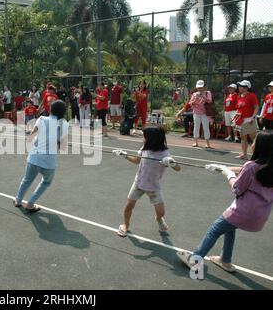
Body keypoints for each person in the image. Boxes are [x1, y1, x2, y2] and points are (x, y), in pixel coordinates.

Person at [178, 131, 273, 274]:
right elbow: (244, 170)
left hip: (243, 211)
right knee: (230, 228)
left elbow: (237, 189)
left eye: (254, 142)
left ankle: (195, 259)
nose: (251, 144)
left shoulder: (251, 166)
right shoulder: (267, 166)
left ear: (260, 146)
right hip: (260, 214)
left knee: (215, 229)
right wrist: (222, 167)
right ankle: (225, 260)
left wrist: (228, 174)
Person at [114, 127, 181, 237]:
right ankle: (125, 225)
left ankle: (159, 219)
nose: (143, 138)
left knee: (161, 213)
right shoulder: (145, 148)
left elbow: (178, 168)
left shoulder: (165, 154)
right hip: (139, 183)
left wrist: (171, 163)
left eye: (144, 136)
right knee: (129, 205)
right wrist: (124, 155)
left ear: (152, 139)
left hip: (154, 187)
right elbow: (136, 161)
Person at [13, 100, 69, 212]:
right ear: (63, 113)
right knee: (46, 182)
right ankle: (30, 203)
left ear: (50, 110)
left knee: (27, 180)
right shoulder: (64, 125)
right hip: (48, 162)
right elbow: (62, 147)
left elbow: (30, 136)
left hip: (34, 158)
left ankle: (18, 200)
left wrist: (30, 137)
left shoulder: (42, 119)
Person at [234, 80, 259, 160]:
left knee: (253, 138)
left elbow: (256, 107)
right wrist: (234, 117)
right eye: (240, 85)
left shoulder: (252, 96)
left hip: (249, 119)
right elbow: (238, 109)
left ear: (246, 88)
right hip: (240, 120)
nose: (239, 87)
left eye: (241, 86)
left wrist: (253, 117)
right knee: (242, 137)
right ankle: (244, 154)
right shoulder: (239, 96)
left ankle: (256, 156)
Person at [190, 80, 212, 148]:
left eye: (201, 87)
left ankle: (207, 143)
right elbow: (190, 103)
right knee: (196, 127)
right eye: (198, 87)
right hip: (196, 113)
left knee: (206, 127)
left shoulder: (208, 93)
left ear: (204, 87)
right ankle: (195, 142)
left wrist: (203, 96)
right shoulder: (194, 94)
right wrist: (195, 99)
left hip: (205, 113)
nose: (199, 89)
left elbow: (209, 101)